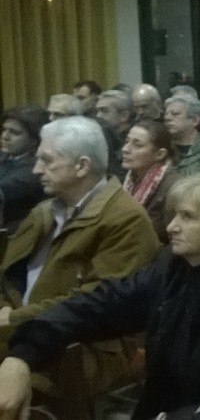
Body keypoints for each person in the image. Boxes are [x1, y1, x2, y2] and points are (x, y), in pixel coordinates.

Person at [0, 171, 200, 419]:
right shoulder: (175, 264)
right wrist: (22, 356)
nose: (171, 227)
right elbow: (99, 305)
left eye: (188, 217)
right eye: (174, 215)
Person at [0, 117, 159, 412]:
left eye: (47, 161)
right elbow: (5, 278)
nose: (36, 170)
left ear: (82, 166)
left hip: (86, 346)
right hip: (25, 331)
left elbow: (97, 304)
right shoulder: (43, 212)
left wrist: (14, 318)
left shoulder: (126, 220)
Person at [121, 120, 179, 243]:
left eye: (137, 145)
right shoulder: (128, 179)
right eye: (127, 141)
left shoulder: (174, 188)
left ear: (160, 154)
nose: (125, 149)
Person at [0, 108, 47, 233]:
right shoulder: (5, 155)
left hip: (14, 233)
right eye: (4, 130)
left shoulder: (36, 167)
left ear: (34, 141)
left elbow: (5, 188)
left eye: (14, 133)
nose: (5, 136)